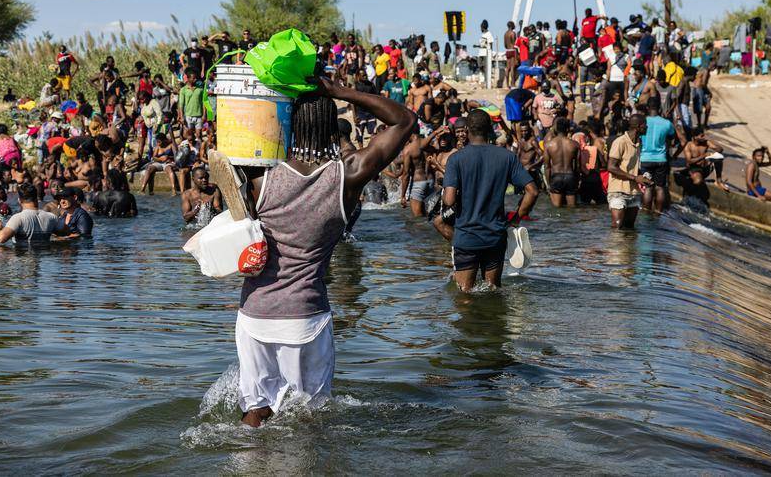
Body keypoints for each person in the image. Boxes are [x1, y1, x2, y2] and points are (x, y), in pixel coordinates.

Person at [210, 75, 415, 428]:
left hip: (254, 316)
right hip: (305, 317)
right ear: (329, 127)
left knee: (255, 411)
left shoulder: (259, 177)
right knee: (308, 416)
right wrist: (340, 91)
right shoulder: (346, 176)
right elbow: (405, 120)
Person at [440, 109, 539, 291]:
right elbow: (532, 191)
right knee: (493, 291)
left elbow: (449, 200)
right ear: (490, 130)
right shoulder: (507, 157)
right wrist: (517, 218)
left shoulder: (456, 159)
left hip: (467, 237)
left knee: (465, 297)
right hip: (495, 236)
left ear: (468, 130)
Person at [607, 114, 651, 229]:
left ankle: (629, 248)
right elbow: (611, 167)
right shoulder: (620, 142)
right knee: (617, 227)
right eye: (645, 125)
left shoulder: (638, 143)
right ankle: (613, 247)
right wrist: (635, 178)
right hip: (618, 191)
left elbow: (632, 166)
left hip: (634, 192)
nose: (647, 127)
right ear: (638, 126)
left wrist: (642, 177)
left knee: (630, 228)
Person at [0, 183, 67, 244]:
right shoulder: (51, 217)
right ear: (36, 198)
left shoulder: (18, 218)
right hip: (43, 258)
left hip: (22, 258)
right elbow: (66, 232)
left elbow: (1, 239)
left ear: (19, 200)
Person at [639, 96, 675, 212]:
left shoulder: (642, 122)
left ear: (647, 107)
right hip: (661, 159)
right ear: (659, 108)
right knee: (660, 188)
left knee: (648, 187)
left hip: (645, 159)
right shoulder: (667, 123)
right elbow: (672, 138)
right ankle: (659, 212)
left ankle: (646, 213)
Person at [400, 126, 446, 217]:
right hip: (431, 182)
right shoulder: (427, 145)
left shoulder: (408, 150)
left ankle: (421, 231)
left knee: (418, 218)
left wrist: (402, 195)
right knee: (429, 214)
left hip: (418, 183)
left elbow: (406, 174)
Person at [544, 117, 579, 207]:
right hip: (570, 176)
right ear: (567, 129)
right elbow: (577, 166)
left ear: (556, 128)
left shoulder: (549, 145)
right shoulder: (575, 144)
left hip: (556, 177)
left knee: (557, 209)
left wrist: (548, 184)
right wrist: (577, 181)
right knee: (572, 209)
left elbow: (547, 167)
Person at [683, 127, 728, 192]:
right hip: (694, 169)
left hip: (705, 168)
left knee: (719, 158)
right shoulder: (688, 145)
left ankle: (719, 181)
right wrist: (703, 156)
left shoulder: (706, 142)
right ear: (695, 137)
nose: (704, 137)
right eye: (702, 136)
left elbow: (720, 150)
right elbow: (689, 161)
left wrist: (712, 143)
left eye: (704, 135)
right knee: (698, 181)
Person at [178, 68, 205, 138]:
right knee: (189, 136)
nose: (195, 79)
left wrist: (204, 115)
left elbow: (204, 103)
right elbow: (181, 104)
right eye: (193, 78)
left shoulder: (200, 89)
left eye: (196, 78)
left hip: (199, 116)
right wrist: (182, 117)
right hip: (188, 116)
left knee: (199, 136)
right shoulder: (183, 90)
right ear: (188, 78)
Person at [504, 21, 518, 88]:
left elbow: (505, 45)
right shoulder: (513, 33)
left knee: (507, 68)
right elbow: (514, 43)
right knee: (512, 68)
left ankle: (507, 84)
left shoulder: (505, 34)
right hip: (512, 50)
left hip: (507, 50)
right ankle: (512, 84)